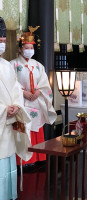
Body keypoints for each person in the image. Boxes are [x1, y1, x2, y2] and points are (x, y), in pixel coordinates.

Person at [10, 27, 57, 167]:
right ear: (20, 49)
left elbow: (44, 84)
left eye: (31, 47)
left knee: (35, 128)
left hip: (35, 101)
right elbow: (11, 84)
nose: (29, 50)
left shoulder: (38, 66)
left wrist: (38, 92)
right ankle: (23, 161)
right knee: (22, 129)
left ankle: (37, 158)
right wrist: (24, 92)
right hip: (21, 101)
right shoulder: (13, 64)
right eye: (26, 47)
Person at [0, 16, 32, 200]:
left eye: (3, 41)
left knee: (7, 166)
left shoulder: (6, 65)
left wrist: (17, 107)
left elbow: (16, 91)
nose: (2, 45)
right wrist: (3, 109)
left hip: (8, 123)